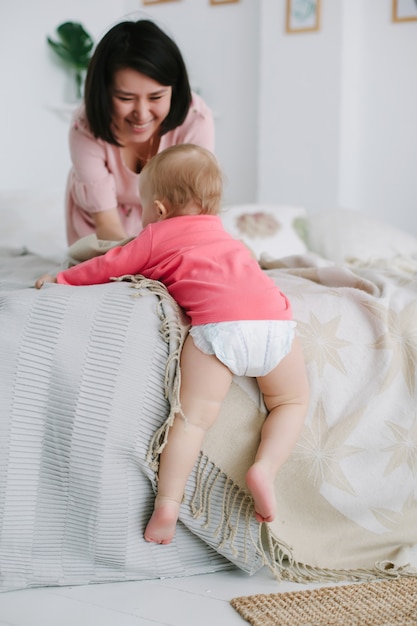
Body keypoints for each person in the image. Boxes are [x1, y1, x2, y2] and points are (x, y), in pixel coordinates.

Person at [35, 144, 310, 545]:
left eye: (145, 206)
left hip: (221, 329)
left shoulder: (153, 236)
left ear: (159, 209)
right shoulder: (227, 236)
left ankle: (168, 504)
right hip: (275, 325)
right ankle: (265, 467)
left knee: (193, 419)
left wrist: (61, 280)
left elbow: (108, 265)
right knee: (291, 402)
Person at [65, 19, 215, 246]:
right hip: (99, 228)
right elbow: (107, 224)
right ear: (103, 92)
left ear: (174, 90)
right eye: (125, 98)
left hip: (168, 228)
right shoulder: (85, 126)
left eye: (156, 97)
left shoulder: (195, 119)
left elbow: (192, 217)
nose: (142, 114)